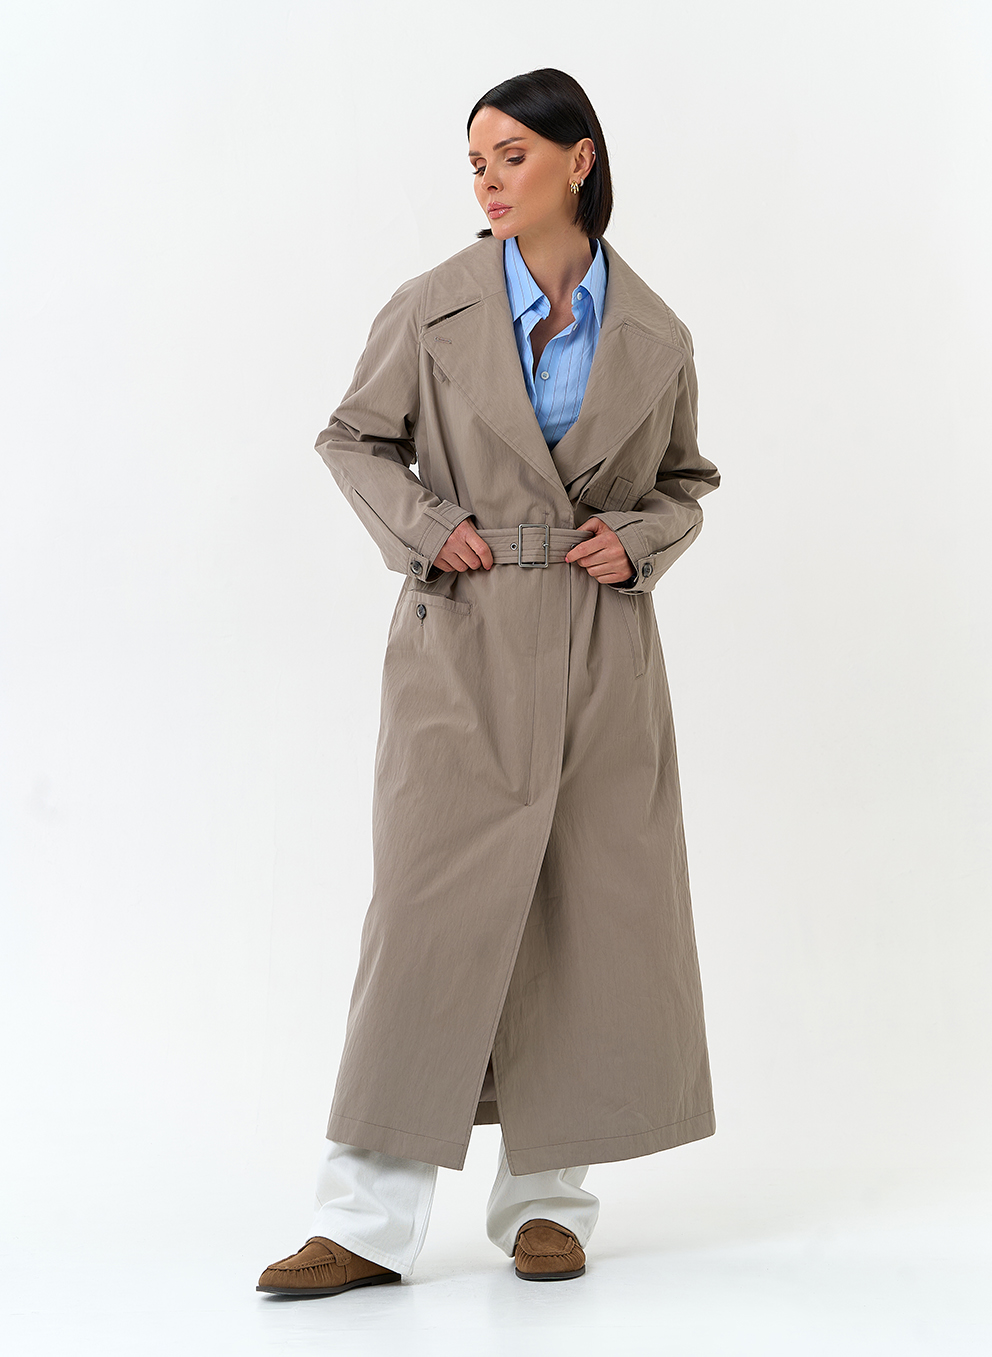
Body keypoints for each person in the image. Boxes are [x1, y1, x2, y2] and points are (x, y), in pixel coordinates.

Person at [257, 67, 721, 1298]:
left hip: (598, 650)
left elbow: (684, 481)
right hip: (459, 640)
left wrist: (641, 539)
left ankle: (547, 1206)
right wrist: (425, 527)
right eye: (474, 162)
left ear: (578, 159)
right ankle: (363, 1220)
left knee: (582, 915)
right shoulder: (432, 309)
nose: (487, 180)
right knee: (423, 916)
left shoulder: (655, 331)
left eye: (510, 154)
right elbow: (353, 437)